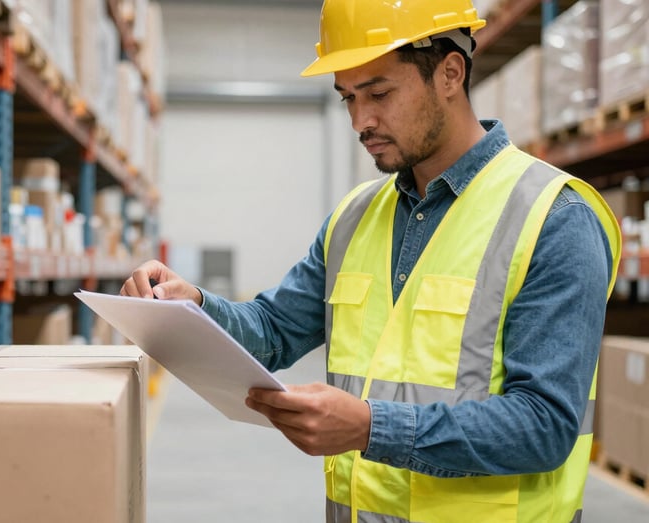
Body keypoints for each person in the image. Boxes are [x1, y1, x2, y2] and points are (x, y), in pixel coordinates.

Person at [121, 1, 622, 521]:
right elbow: (273, 330)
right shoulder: (355, 217)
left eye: (379, 93)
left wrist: (370, 428)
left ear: (450, 73)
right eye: (348, 98)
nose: (361, 121)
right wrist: (192, 306)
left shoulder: (554, 218)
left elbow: (544, 426)